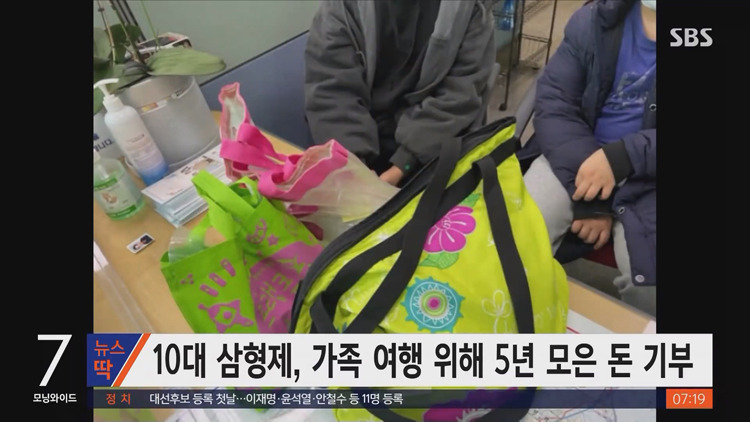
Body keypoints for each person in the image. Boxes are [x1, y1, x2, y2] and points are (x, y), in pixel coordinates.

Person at [522, 0, 656, 315]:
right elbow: (555, 103)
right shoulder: (593, 22)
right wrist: (591, 199)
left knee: (650, 284)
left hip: (650, 177)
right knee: (516, 238)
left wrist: (623, 157)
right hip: (575, 156)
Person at [304, 0, 497, 186]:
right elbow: (333, 92)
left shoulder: (470, 8)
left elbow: (458, 94)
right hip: (360, 143)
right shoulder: (343, 8)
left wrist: (403, 165)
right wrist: (357, 169)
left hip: (435, 143)